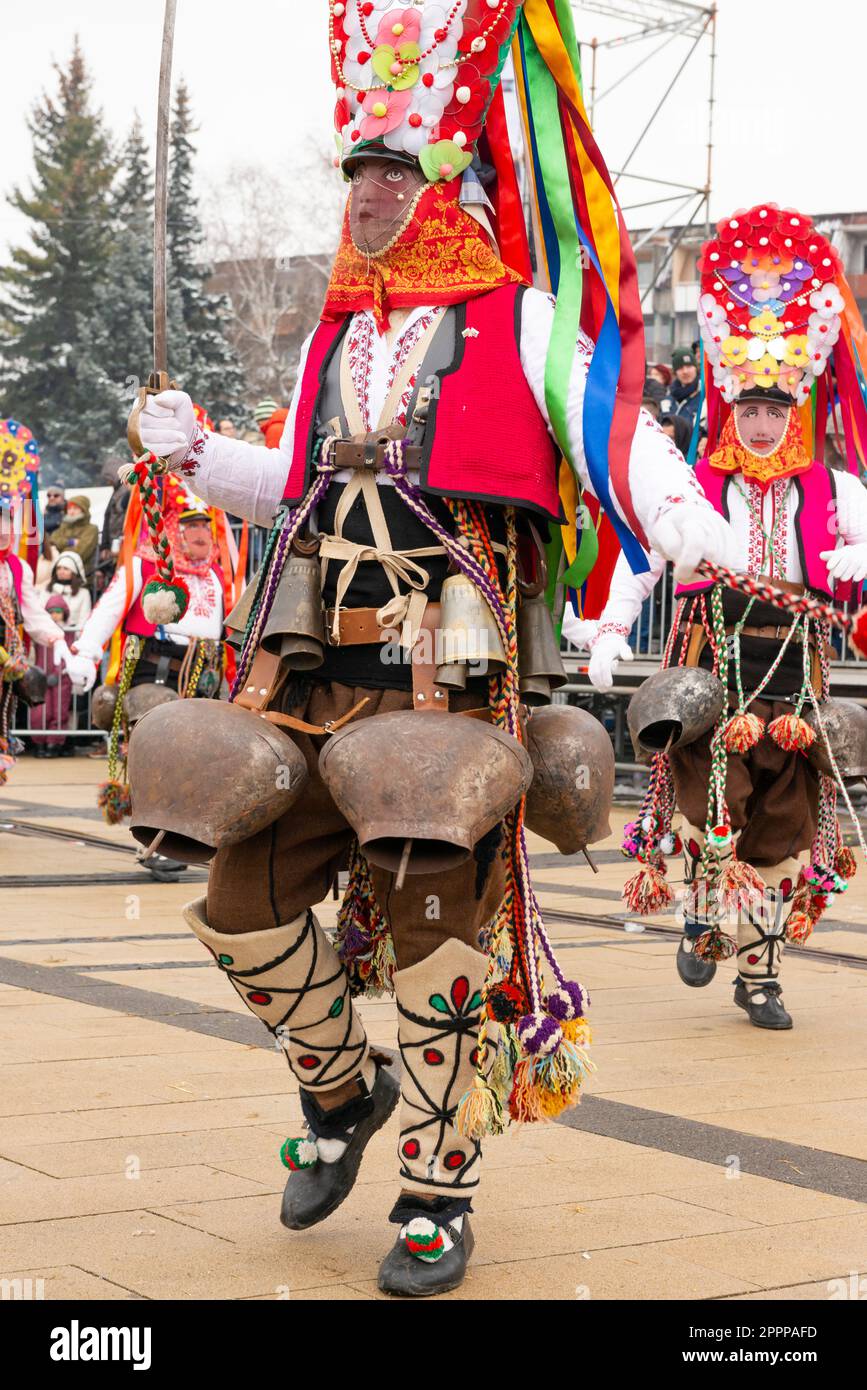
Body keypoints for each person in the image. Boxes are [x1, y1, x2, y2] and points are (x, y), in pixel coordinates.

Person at [129, 0, 735, 1296]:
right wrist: (192, 454)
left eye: (391, 174)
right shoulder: (329, 339)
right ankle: (340, 1088)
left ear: (443, 185)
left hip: (447, 697)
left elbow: (601, 421)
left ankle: (435, 1186)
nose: (367, 196)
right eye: (355, 174)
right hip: (307, 685)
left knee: (436, 946)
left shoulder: (512, 318)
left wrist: (684, 510)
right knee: (237, 907)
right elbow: (287, 480)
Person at [588, 201, 867, 1032]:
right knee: (713, 807)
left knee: (780, 833)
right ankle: (703, 917)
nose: (759, 423)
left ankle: (761, 973)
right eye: (747, 409)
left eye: (774, 411)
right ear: (728, 406)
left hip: (794, 682)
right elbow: (643, 552)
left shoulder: (832, 488)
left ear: (795, 413)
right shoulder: (695, 485)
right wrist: (610, 623)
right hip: (715, 673)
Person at [29, 593, 76, 757]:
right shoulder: (40, 631)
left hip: (62, 678)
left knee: (59, 712)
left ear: (64, 613)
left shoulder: (69, 631)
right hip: (41, 676)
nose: (54, 614)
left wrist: (60, 673)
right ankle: (39, 743)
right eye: (50, 611)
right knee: (40, 712)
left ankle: (53, 744)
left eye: (58, 611)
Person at [49, 495, 100, 584]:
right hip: (57, 573)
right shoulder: (63, 527)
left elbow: (80, 552)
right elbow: (52, 541)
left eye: (75, 508)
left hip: (80, 575)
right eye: (69, 509)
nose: (71, 512)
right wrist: (70, 542)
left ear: (84, 510)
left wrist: (60, 549)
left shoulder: (91, 529)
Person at [45, 551, 92, 633]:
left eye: (66, 569)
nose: (61, 571)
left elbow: (84, 620)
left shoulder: (83, 593)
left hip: (72, 639)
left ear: (74, 572)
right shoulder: (47, 590)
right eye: (59, 568)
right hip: (48, 637)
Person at [663, 347, 703, 427]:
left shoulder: (704, 394)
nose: (685, 371)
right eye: (680, 368)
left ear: (696, 368)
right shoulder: (668, 396)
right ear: (675, 372)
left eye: (689, 367)